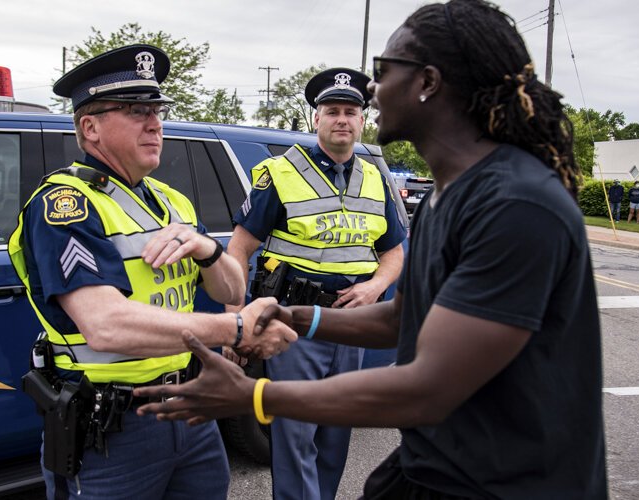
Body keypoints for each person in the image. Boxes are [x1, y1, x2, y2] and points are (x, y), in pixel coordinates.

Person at [134, 1, 608, 498]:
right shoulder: (450, 194)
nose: (372, 93)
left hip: (513, 484)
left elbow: (429, 388)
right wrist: (295, 316)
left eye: (381, 73)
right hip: (439, 469)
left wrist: (253, 395)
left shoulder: (515, 203)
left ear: (428, 82)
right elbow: (402, 321)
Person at [7, 44, 296, 500]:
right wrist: (236, 327)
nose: (155, 123)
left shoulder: (170, 201)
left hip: (190, 409)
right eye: (136, 111)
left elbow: (233, 286)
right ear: (90, 127)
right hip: (113, 429)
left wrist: (205, 250)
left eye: (157, 110)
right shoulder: (65, 206)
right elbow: (104, 325)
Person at [222, 67, 405, 499]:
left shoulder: (376, 178)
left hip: (351, 323)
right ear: (316, 119)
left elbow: (394, 252)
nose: (342, 119)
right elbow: (239, 249)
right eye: (332, 111)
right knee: (295, 435)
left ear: (363, 121)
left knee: (336, 433)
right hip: (295, 324)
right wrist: (234, 321)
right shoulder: (279, 174)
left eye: (351, 112)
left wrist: (374, 287)